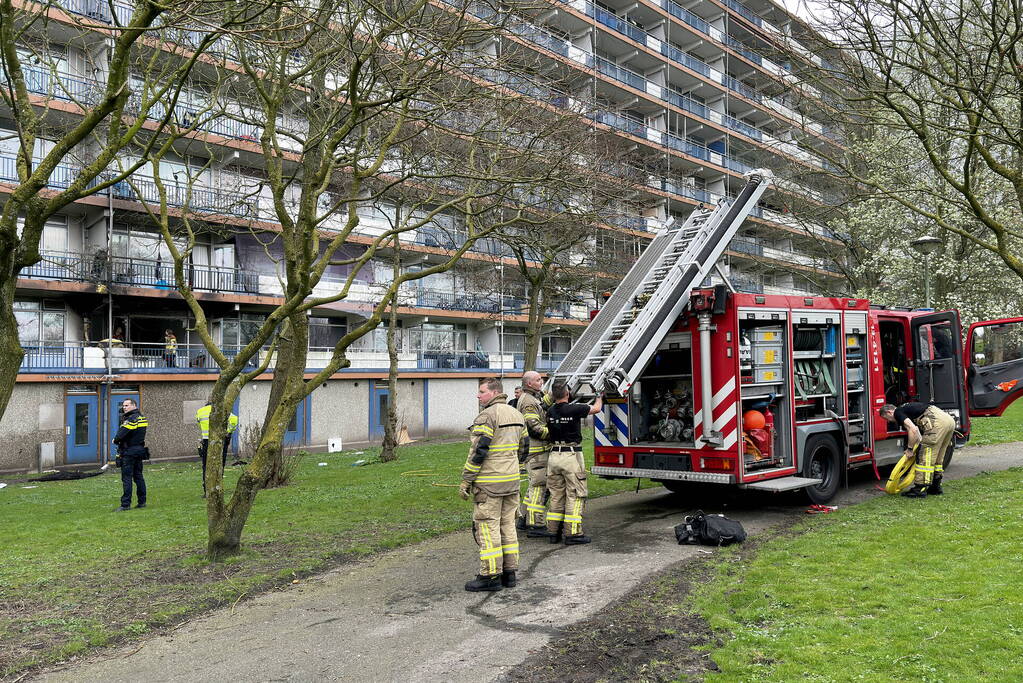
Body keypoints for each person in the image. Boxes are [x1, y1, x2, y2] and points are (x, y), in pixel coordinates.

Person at [460, 377, 530, 592]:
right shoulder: (517, 414)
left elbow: (478, 452)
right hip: (511, 481)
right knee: (508, 526)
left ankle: (490, 576)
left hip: (489, 484)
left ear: (493, 392)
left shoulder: (487, 416)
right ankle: (509, 573)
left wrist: (466, 481)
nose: (478, 395)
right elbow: (524, 448)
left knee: (488, 527)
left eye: (481, 391)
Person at [544, 383, 602, 544]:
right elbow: (596, 409)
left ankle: (553, 533)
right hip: (570, 456)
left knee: (556, 495)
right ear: (567, 393)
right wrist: (599, 396)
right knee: (575, 494)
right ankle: (573, 533)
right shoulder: (574, 409)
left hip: (554, 456)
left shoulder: (550, 411)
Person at [880, 402, 956, 497]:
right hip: (948, 421)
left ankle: (920, 488)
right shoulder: (907, 408)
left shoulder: (898, 412)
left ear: (889, 412)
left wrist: (910, 449)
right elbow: (917, 430)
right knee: (938, 455)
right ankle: (935, 486)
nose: (889, 421)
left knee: (925, 456)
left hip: (936, 422)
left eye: (887, 418)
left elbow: (912, 430)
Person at [516, 371, 553, 537]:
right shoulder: (528, 402)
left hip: (537, 453)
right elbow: (534, 428)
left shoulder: (533, 397)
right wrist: (555, 433)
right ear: (529, 383)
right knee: (539, 487)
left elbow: (543, 405)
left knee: (534, 487)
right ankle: (536, 525)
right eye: (538, 380)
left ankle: (523, 519)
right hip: (537, 453)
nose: (541, 381)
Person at [196, 401, 240, 497]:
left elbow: (199, 423)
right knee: (220, 464)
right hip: (220, 440)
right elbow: (234, 420)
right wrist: (228, 432)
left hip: (207, 441)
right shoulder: (222, 410)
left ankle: (206, 490)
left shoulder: (200, 411)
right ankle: (218, 487)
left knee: (206, 466)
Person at [113, 399, 148, 511]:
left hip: (129, 452)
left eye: (127, 405)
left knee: (127, 478)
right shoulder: (142, 417)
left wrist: (115, 440)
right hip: (139, 450)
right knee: (138, 477)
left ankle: (125, 504)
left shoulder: (130, 419)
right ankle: (142, 502)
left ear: (134, 405)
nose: (124, 407)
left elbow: (120, 435)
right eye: (123, 405)